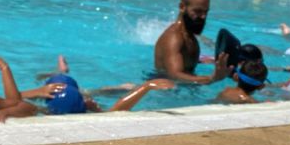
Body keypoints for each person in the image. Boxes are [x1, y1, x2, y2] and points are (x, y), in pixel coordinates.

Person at [21, 55, 175, 113]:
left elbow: (13, 98)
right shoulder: (42, 108)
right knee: (91, 91)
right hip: (60, 89)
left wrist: (36, 92)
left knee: (87, 91)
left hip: (58, 89)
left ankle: (61, 71)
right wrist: (145, 87)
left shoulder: (43, 109)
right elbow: (116, 112)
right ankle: (60, 71)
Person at [153, 0, 229, 84]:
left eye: (206, 12)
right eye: (198, 11)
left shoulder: (189, 35)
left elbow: (183, 61)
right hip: (163, 90)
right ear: (182, 7)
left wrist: (209, 61)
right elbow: (174, 76)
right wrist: (211, 78)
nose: (203, 16)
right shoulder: (174, 38)